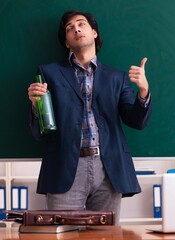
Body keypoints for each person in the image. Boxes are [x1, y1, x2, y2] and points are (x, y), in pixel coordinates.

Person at [27, 9, 152, 225]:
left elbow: (137, 121)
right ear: (66, 42)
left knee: (106, 237)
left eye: (81, 24)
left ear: (94, 33)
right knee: (62, 234)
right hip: (65, 166)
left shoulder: (117, 77)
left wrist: (143, 91)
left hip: (108, 168)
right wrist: (35, 105)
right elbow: (39, 131)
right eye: (69, 28)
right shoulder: (49, 73)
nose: (76, 28)